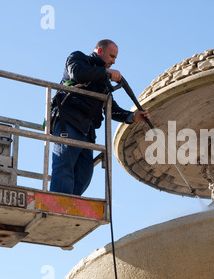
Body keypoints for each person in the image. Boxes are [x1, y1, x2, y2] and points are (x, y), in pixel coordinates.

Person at [50, 39, 150, 196]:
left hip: (87, 130)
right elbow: (78, 73)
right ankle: (58, 205)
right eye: (111, 56)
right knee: (64, 166)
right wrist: (106, 73)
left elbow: (111, 108)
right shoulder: (78, 58)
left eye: (115, 58)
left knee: (84, 174)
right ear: (99, 51)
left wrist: (133, 116)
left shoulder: (102, 82)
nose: (113, 61)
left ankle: (70, 205)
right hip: (68, 121)